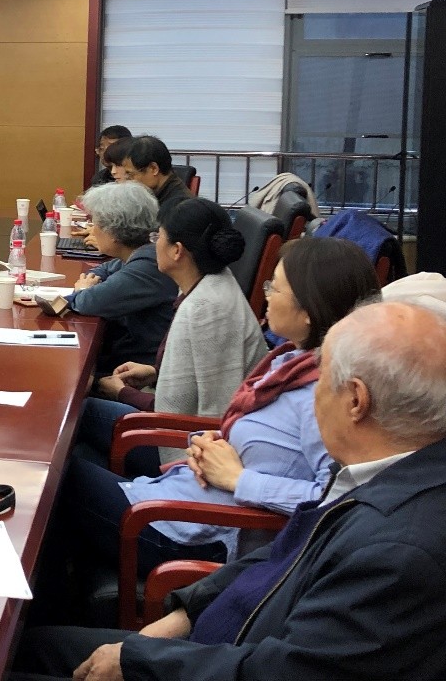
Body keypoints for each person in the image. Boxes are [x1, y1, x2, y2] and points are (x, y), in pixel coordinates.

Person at [12, 300, 446, 681]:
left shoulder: (400, 551)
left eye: (320, 380)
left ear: (355, 400)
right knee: (29, 648)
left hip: (223, 660)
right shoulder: (385, 471)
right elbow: (280, 558)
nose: (312, 397)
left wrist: (139, 661)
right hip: (213, 643)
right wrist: (183, 616)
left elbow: (286, 672)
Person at [60, 237, 381, 580]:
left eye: (275, 287)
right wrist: (207, 442)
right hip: (184, 494)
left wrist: (239, 479)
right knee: (65, 450)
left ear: (308, 312)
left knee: (54, 477)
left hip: (195, 533)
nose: (267, 295)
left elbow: (338, 501)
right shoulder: (292, 361)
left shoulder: (326, 396)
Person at [79, 197, 266, 476]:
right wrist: (155, 373)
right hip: (172, 424)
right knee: (77, 429)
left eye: (158, 237)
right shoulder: (206, 283)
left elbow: (214, 418)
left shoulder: (207, 309)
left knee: (76, 424)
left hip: (183, 450)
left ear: (177, 251)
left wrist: (124, 393)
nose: (153, 245)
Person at [65, 182, 179, 376]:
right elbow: (104, 269)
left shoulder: (148, 265)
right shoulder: (141, 252)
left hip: (139, 368)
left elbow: (87, 302)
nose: (93, 230)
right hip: (129, 354)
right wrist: (92, 284)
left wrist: (83, 290)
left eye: (96, 223)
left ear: (113, 232)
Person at [121, 135, 192, 219]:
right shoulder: (155, 194)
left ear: (153, 168)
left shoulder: (179, 207)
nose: (128, 181)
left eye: (130, 174)